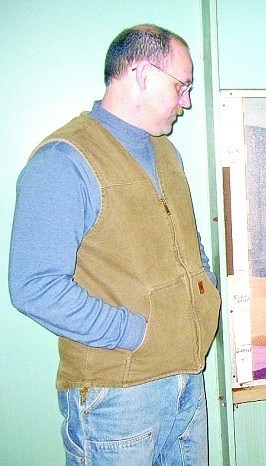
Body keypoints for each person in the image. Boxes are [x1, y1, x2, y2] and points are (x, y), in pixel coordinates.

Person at [8, 24, 221, 465]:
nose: (186, 101)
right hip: (117, 395)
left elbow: (187, 240)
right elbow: (33, 287)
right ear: (142, 75)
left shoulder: (166, 152)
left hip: (186, 377)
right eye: (181, 86)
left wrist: (207, 296)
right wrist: (134, 333)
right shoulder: (64, 160)